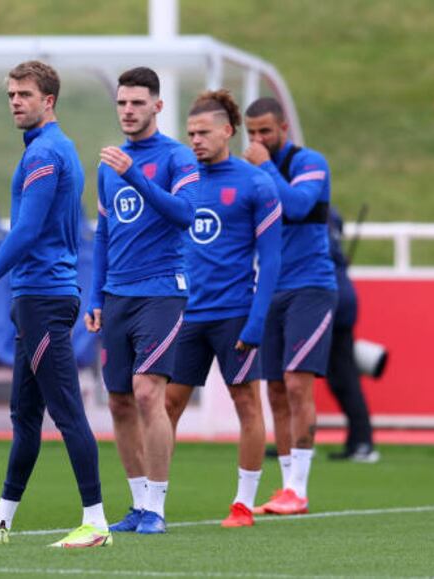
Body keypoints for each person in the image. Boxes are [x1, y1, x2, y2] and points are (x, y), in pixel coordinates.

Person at [0, 61, 111, 549]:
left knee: (66, 412)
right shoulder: (54, 149)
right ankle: (1, 519)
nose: (15, 101)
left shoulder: (45, 152)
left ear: (49, 100)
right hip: (37, 297)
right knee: (24, 415)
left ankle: (96, 523)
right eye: (10, 94)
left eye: (24, 93)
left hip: (42, 297)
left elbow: (28, 231)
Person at [85, 67, 199, 534]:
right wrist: (94, 295)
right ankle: (136, 505)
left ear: (157, 106)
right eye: (121, 103)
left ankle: (157, 506)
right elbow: (103, 236)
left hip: (160, 291)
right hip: (117, 295)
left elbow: (185, 215)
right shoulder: (108, 165)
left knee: (149, 392)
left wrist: (135, 177)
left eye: (137, 103)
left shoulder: (176, 158)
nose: (128, 111)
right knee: (117, 402)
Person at [165, 90, 282, 528]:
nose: (195, 140)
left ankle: (243, 504)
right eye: (190, 133)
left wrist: (257, 319)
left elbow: (271, 259)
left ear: (227, 132)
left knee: (245, 402)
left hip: (234, 312)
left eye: (204, 132)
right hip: (186, 313)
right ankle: (152, 501)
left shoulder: (256, 184)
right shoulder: (183, 181)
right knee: (168, 404)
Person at [243, 97, 337, 515]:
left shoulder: (310, 162)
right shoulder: (249, 168)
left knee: (299, 383)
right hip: (270, 288)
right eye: (252, 133)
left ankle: (299, 488)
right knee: (276, 390)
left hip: (311, 287)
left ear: (284, 127)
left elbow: (297, 206)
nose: (258, 139)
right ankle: (285, 489)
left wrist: (261, 165)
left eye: (266, 130)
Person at [326, 207, 379, 463]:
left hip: (329, 298)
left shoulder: (305, 208)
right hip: (341, 296)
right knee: (341, 376)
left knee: (342, 376)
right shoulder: (329, 213)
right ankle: (359, 441)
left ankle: (362, 442)